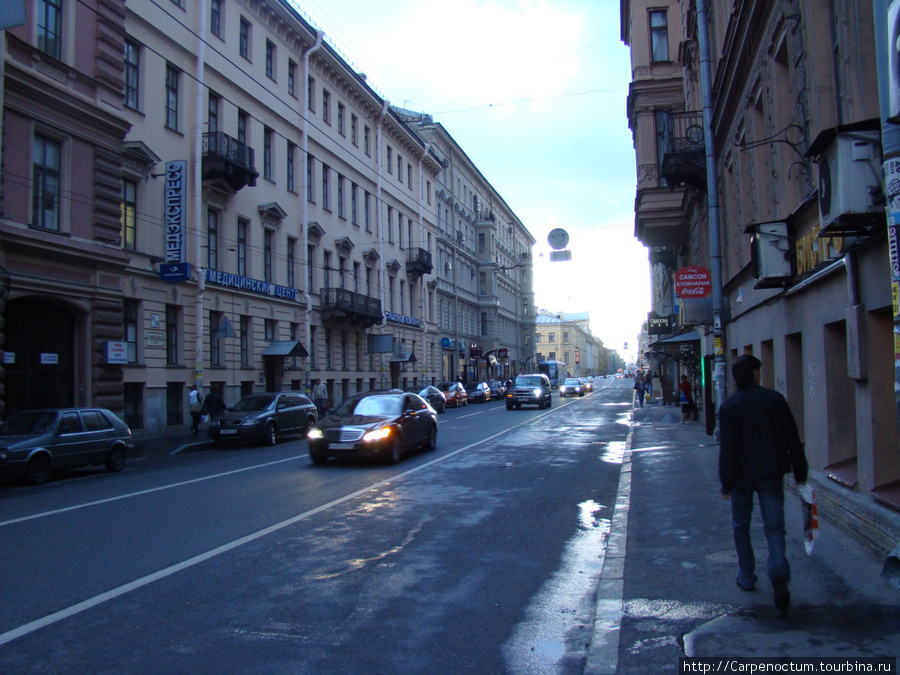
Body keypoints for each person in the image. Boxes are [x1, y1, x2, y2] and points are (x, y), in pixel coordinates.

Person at [719, 355, 808, 612]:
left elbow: (728, 447)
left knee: (741, 526)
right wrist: (800, 472)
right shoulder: (774, 400)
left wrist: (726, 482)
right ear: (756, 374)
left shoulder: (729, 406)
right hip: (771, 473)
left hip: (740, 478)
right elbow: (792, 437)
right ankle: (778, 570)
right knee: (774, 528)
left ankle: (747, 576)